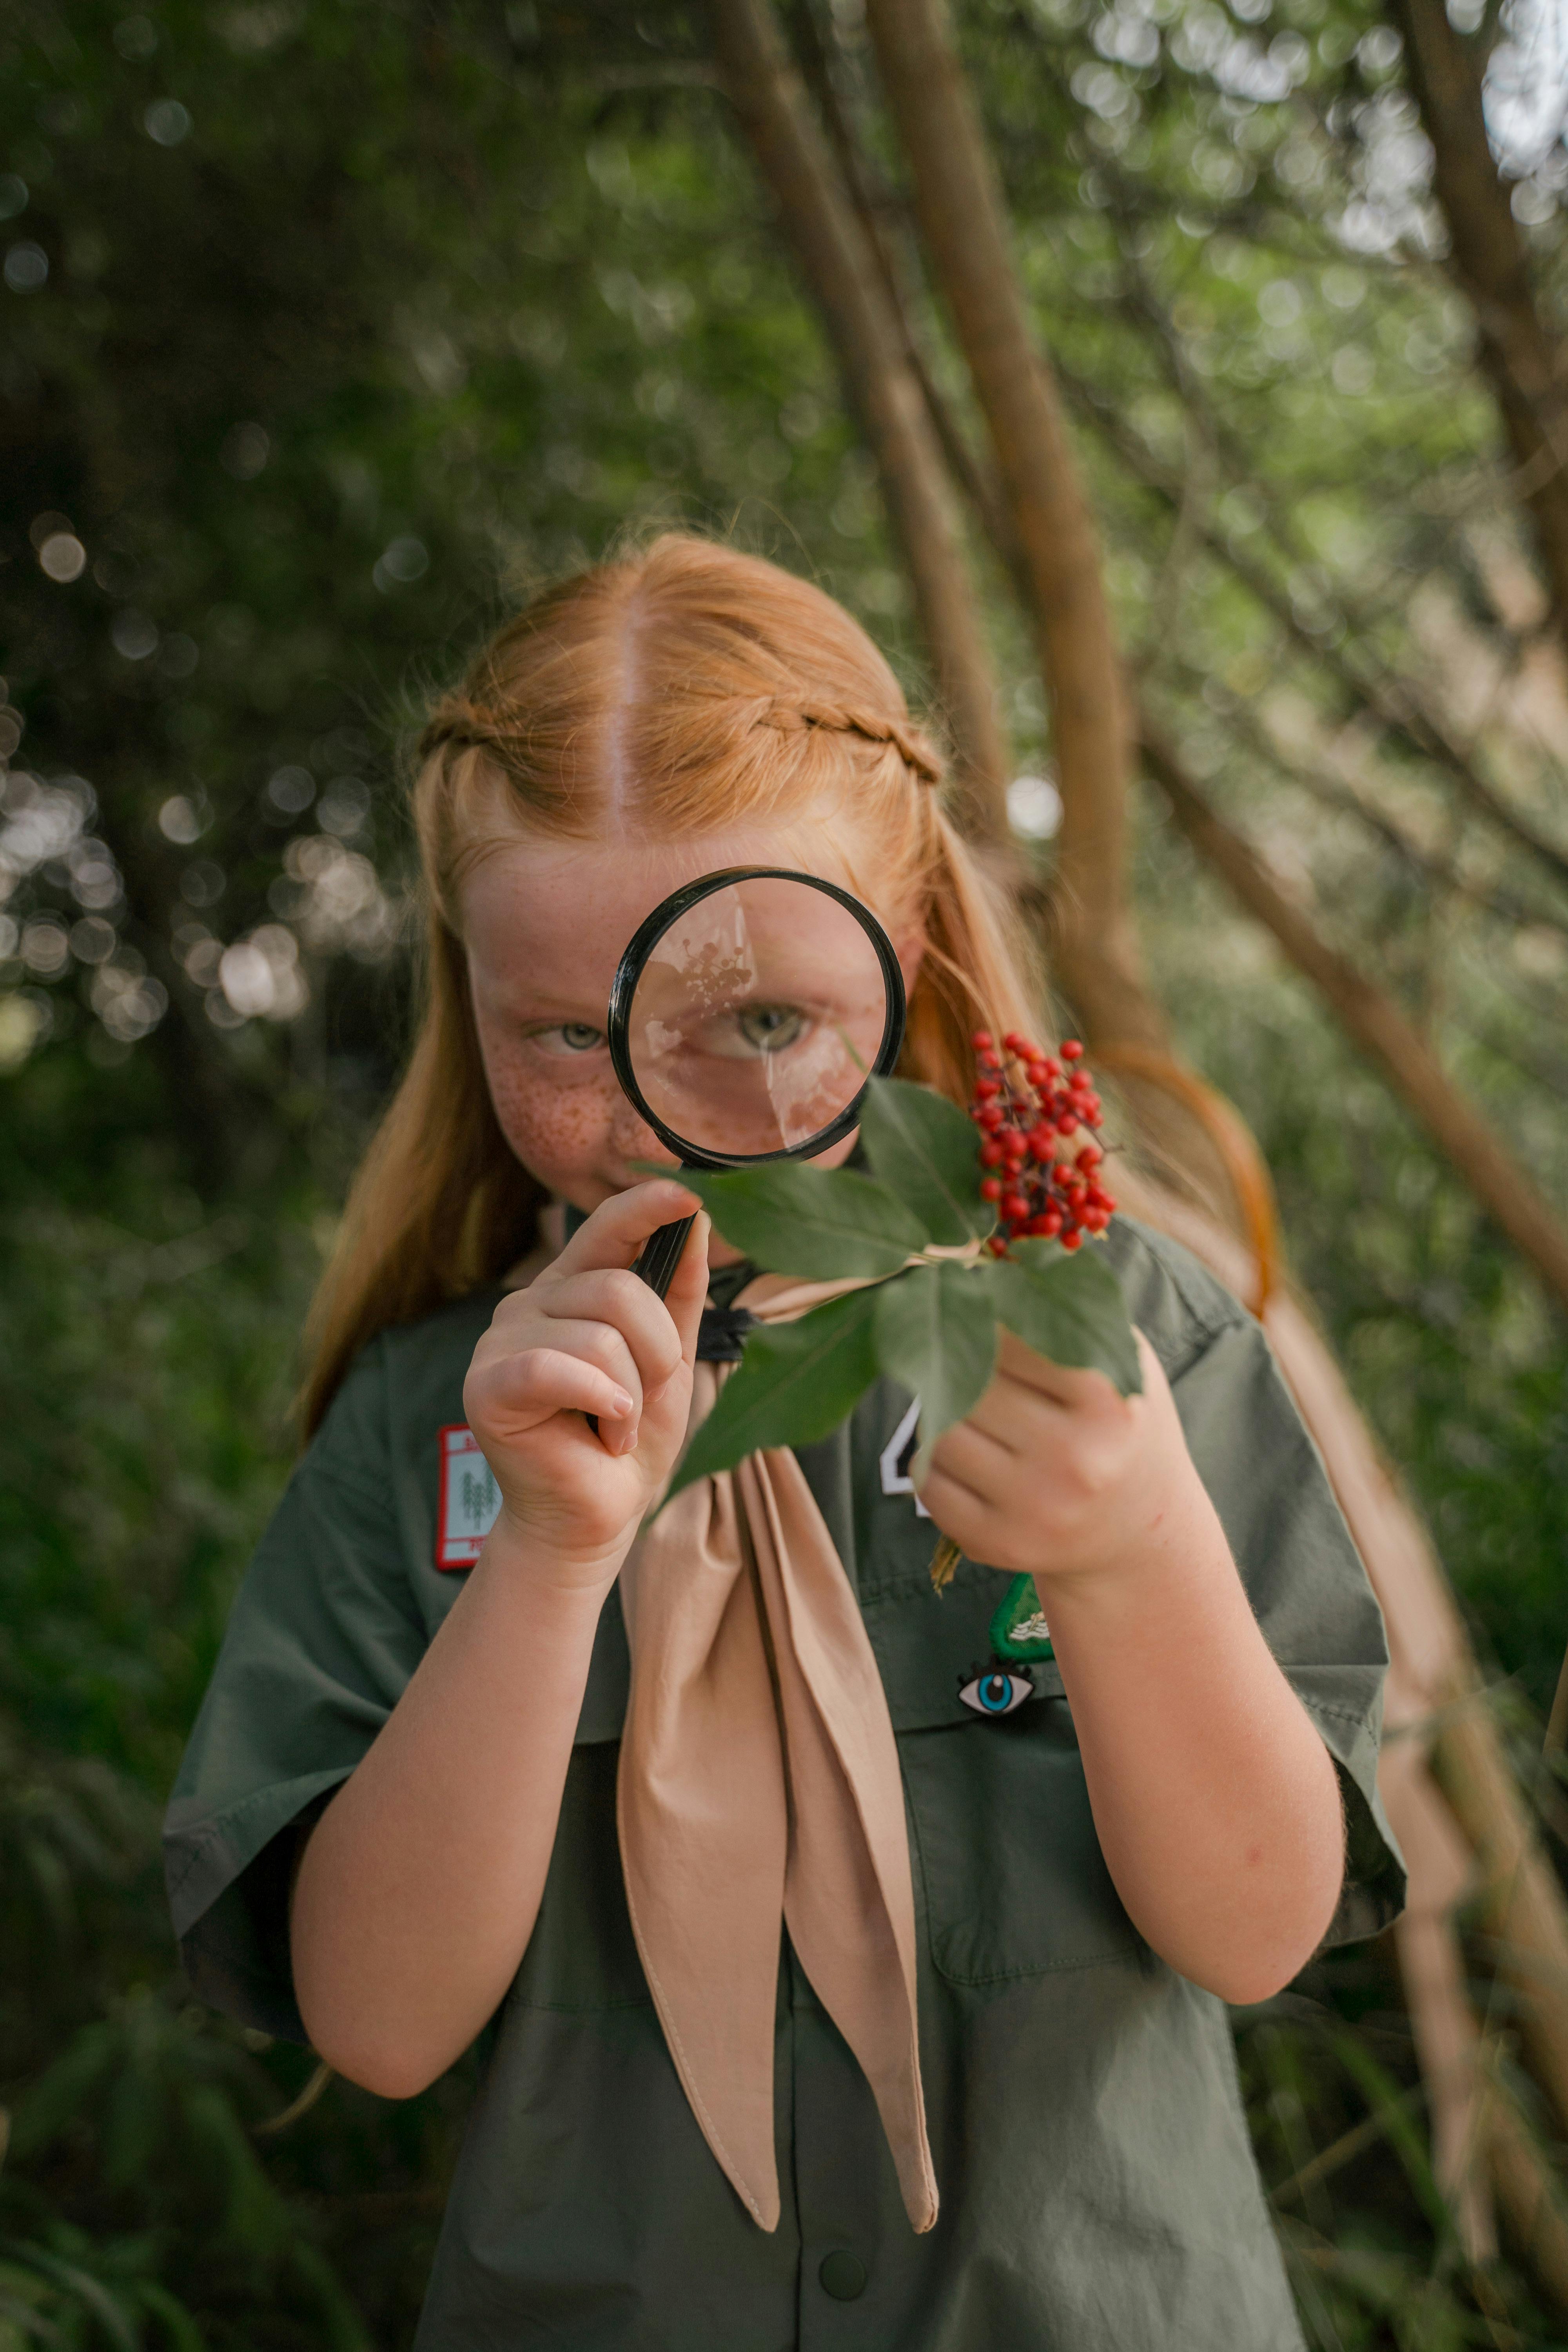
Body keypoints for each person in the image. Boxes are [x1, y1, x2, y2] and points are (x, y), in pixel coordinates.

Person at [164, 534, 1403, 2351]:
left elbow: (1255, 1930)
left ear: (892, 956)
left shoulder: (1105, 1336)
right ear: (471, 1000)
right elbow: (378, 2020)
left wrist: (1134, 1551)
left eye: (759, 1018)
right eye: (570, 1035)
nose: (670, 1117)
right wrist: (543, 1562)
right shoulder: (430, 1428)